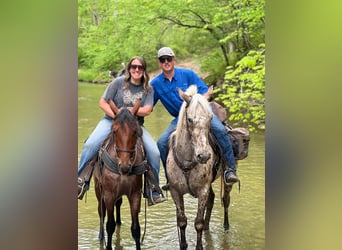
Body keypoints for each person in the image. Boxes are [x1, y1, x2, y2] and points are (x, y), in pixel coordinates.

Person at [78, 56, 166, 205]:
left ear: (144, 70)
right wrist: (118, 117)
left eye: (140, 67)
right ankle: (81, 180)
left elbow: (147, 109)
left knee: (154, 152)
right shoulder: (118, 83)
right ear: (130, 69)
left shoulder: (148, 89)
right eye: (134, 67)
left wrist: (129, 115)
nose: (136, 70)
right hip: (111, 121)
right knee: (90, 144)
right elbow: (102, 102)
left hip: (135, 125)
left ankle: (153, 189)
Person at [150, 47, 240, 188]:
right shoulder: (155, 83)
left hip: (202, 114)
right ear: (159, 63)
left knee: (221, 131)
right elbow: (149, 105)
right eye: (162, 60)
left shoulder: (188, 74)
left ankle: (229, 170)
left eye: (168, 59)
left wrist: (193, 102)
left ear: (174, 60)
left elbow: (205, 93)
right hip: (180, 119)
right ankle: (170, 179)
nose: (166, 62)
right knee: (161, 142)